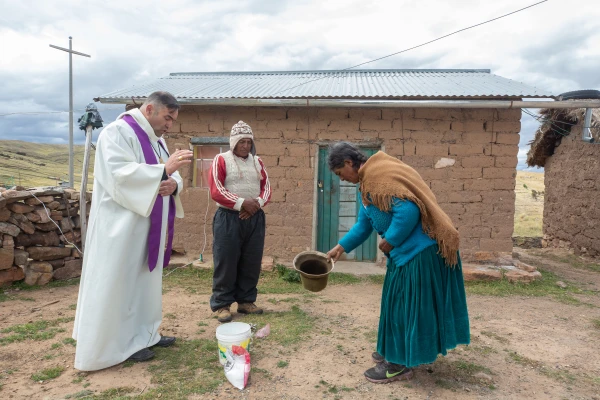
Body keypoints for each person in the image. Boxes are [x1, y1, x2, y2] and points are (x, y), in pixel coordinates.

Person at [326, 142, 470, 384]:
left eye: (341, 173)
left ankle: (398, 364)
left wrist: (391, 239)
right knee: (394, 302)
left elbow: (409, 210)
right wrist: (341, 247)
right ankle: (392, 350)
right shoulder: (367, 184)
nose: (343, 179)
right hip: (405, 253)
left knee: (405, 307)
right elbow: (364, 224)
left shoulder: (377, 176)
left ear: (349, 163)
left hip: (419, 252)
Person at [72, 91, 193, 371]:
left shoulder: (157, 140)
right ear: (149, 109)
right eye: (167, 117)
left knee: (144, 285)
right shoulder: (117, 133)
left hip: (147, 228)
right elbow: (118, 175)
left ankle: (145, 335)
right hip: (121, 229)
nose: (170, 125)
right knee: (120, 285)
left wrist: (173, 183)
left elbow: (171, 175)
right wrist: (162, 171)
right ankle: (117, 344)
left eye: (174, 120)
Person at [208, 120, 271, 323]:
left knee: (251, 261)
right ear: (233, 142)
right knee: (226, 260)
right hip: (228, 218)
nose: (245, 146)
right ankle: (222, 304)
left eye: (248, 142)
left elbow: (267, 188)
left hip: (254, 218)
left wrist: (256, 204)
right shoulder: (221, 160)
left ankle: (245, 301)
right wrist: (242, 203)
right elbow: (216, 190)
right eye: (241, 142)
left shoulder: (257, 162)